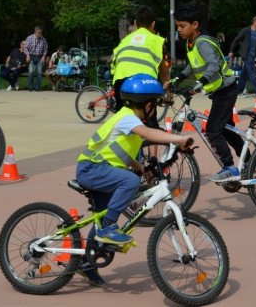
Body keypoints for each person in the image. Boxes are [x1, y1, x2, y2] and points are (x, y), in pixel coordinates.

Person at [75, 74, 191, 286]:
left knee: (100, 218)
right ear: (148, 105)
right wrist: (179, 139)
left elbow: (119, 151)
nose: (155, 108)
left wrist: (141, 167)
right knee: (129, 182)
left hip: (102, 170)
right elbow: (149, 133)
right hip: (91, 169)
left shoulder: (130, 121)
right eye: (155, 104)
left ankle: (87, 263)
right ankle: (109, 227)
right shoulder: (127, 117)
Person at [173, 2, 247, 183]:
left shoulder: (203, 42)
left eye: (182, 26)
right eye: (177, 27)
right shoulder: (192, 44)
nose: (179, 30)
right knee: (227, 131)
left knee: (213, 131)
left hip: (226, 91)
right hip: (220, 92)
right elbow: (195, 64)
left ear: (195, 25)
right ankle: (253, 160)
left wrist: (199, 85)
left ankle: (230, 168)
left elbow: (213, 65)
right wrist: (179, 78)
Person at [110, 6, 169, 126]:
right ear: (153, 24)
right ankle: (151, 137)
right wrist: (168, 92)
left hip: (121, 82)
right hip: (145, 83)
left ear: (135, 23)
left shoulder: (125, 40)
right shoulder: (156, 40)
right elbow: (163, 71)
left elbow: (114, 66)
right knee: (150, 123)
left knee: (123, 122)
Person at [228, 16, 256, 99]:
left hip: (252, 56)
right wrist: (231, 51)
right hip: (246, 54)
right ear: (255, 22)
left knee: (244, 74)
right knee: (252, 72)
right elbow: (236, 40)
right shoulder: (246, 30)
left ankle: (238, 92)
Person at [24, 26, 48, 91]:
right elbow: (26, 48)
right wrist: (28, 56)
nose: (40, 34)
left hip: (39, 57)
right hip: (31, 56)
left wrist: (43, 56)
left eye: (41, 32)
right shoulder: (30, 38)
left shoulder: (43, 39)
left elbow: (45, 48)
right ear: (35, 32)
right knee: (31, 72)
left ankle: (37, 87)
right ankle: (30, 87)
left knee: (39, 72)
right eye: (39, 32)